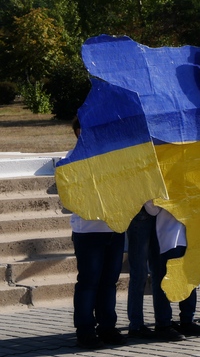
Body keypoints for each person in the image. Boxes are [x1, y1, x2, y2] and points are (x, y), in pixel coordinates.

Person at [69, 118, 127, 349]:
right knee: (89, 282)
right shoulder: (72, 158)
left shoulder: (113, 156)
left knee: (109, 282)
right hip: (88, 231)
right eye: (83, 130)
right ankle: (85, 331)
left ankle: (107, 328)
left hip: (114, 228)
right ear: (77, 132)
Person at [127, 200, 200, 340]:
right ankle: (152, 324)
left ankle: (183, 320)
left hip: (170, 217)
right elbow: (152, 206)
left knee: (183, 268)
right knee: (151, 273)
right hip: (144, 212)